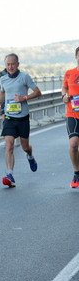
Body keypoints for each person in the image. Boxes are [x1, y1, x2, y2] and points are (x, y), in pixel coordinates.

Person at [0, 53, 41, 187]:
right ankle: (10, 174)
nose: (10, 67)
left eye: (13, 64)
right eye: (8, 64)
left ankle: (30, 156)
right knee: (9, 145)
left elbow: (38, 92)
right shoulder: (3, 79)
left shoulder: (24, 77)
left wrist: (24, 98)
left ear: (18, 64)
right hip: (9, 117)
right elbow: (2, 92)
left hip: (23, 118)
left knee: (25, 147)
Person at [61, 46, 79, 188]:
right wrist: (64, 96)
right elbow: (65, 88)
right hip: (72, 113)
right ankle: (77, 173)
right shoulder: (69, 73)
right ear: (76, 56)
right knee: (73, 144)